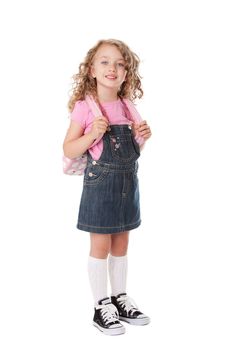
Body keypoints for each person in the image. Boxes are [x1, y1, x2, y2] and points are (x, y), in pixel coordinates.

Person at [63, 39, 152, 336]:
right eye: (104, 61)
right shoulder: (85, 108)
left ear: (127, 73)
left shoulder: (128, 106)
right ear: (91, 70)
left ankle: (120, 297)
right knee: (100, 247)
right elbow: (70, 148)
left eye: (120, 63)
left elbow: (131, 152)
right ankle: (101, 306)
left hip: (128, 185)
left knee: (122, 245)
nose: (112, 68)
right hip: (100, 187)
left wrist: (142, 136)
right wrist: (92, 135)